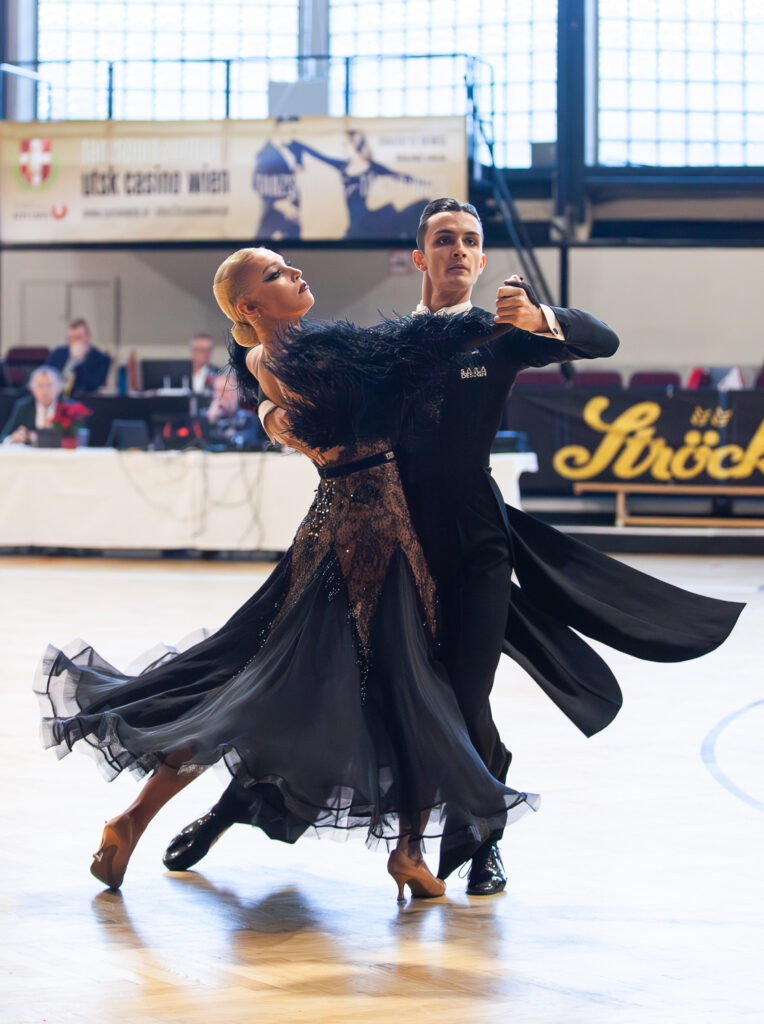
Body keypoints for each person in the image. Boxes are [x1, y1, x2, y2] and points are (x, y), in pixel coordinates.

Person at [167, 199, 743, 895]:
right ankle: (233, 809)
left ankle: (480, 845)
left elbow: (605, 339)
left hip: (475, 546)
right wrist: (267, 410)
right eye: (445, 240)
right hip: (385, 542)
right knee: (328, 697)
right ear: (421, 258)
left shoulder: (500, 333)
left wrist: (545, 318)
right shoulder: (381, 343)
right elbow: (293, 370)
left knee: (468, 701)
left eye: (471, 240)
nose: (460, 251)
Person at [35, 246, 541, 897]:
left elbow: (363, 376)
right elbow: (399, 355)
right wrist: (481, 327)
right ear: (250, 307)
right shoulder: (293, 355)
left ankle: (136, 821)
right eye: (276, 275)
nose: (297, 274)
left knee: (272, 689)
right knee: (400, 688)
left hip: (348, 529)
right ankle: (408, 853)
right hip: (368, 541)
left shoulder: (279, 356)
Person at [1, 365, 72, 444]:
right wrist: (13, 438)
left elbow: (79, 438)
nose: (45, 391)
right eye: (40, 386)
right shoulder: (24, 407)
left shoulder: (70, 408)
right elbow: (4, 437)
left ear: (59, 387)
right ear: (32, 389)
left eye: (49, 385)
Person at [203, 372, 264, 450]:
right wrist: (210, 422)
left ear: (238, 394)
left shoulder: (249, 420)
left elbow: (245, 443)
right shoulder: (203, 418)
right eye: (217, 391)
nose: (220, 396)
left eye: (225, 391)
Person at [48, 319, 111, 395]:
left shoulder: (102, 359)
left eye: (78, 337)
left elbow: (93, 385)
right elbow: (47, 374)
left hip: (85, 400)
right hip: (57, 397)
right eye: (71, 338)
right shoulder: (58, 353)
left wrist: (77, 361)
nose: (75, 341)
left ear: (88, 336)